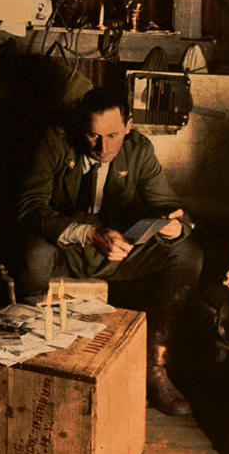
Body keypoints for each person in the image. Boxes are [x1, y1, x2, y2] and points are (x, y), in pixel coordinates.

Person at [15, 86, 203, 416]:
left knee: (187, 254)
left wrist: (175, 224)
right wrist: (86, 233)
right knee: (33, 253)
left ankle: (156, 368)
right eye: (92, 136)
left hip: (118, 252)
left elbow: (170, 206)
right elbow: (30, 209)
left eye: (113, 135)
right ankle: (38, 369)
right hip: (66, 250)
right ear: (79, 127)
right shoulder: (55, 141)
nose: (103, 148)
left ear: (129, 125)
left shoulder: (139, 150)